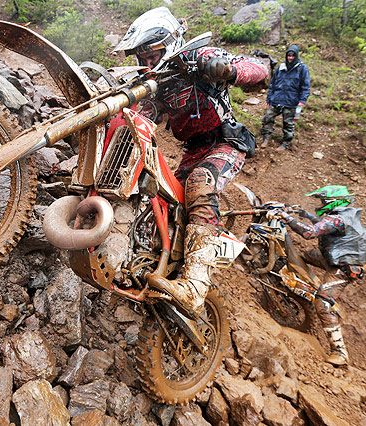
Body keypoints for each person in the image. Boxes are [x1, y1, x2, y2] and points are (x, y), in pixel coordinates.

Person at [114, 7, 269, 317]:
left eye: (150, 53)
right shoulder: (160, 82)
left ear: (168, 43)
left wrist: (225, 70)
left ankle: (196, 286)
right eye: (140, 56)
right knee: (161, 194)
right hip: (193, 151)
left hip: (225, 141)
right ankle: (162, 263)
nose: (145, 61)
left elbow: (259, 69)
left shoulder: (200, 57)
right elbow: (141, 116)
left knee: (200, 183)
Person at [271, 186, 366, 366]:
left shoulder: (339, 218)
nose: (321, 204)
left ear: (333, 201)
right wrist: (304, 214)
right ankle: (300, 279)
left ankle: (340, 352)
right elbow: (323, 227)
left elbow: (310, 232)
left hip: (343, 267)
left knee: (322, 304)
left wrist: (287, 218)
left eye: (323, 201)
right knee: (306, 255)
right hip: (336, 257)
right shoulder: (344, 215)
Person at [260, 45, 310, 150]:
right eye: (289, 55)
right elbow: (273, 84)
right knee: (267, 118)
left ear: (296, 56)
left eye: (293, 55)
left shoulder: (302, 68)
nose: (290, 57)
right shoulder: (281, 67)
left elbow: (306, 86)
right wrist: (269, 99)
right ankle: (266, 138)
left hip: (291, 101)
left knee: (288, 124)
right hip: (276, 99)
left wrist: (302, 100)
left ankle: (286, 143)